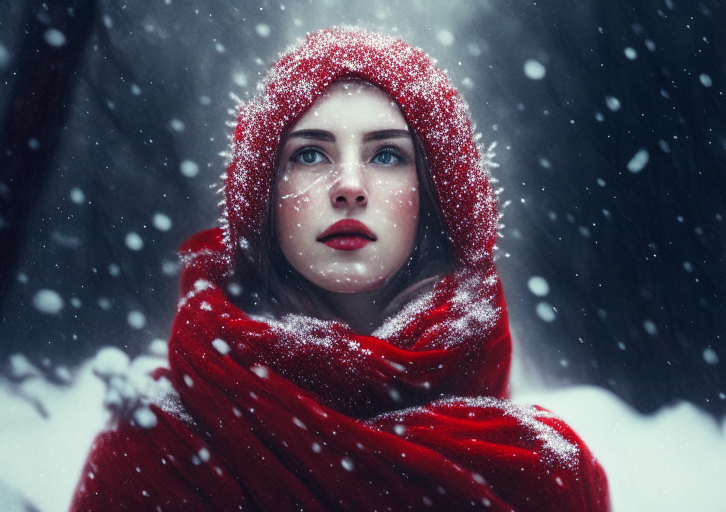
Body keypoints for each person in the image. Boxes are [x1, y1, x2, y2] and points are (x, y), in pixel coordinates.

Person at [70, 27, 609, 511]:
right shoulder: (155, 457)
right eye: (309, 155)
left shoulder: (544, 471)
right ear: (265, 196)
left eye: (386, 155)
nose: (348, 186)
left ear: (435, 195)